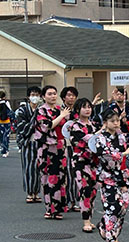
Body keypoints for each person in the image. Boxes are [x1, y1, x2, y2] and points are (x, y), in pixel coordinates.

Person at [95, 108, 129, 242]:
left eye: (117, 120)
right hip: (107, 176)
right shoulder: (101, 137)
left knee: (123, 207)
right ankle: (113, 238)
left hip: (122, 175)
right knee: (113, 207)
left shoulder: (121, 136)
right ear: (105, 123)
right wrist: (124, 153)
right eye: (112, 121)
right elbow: (104, 154)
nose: (116, 123)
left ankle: (103, 224)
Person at [33, 85, 70, 220]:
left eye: (54, 93)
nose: (53, 96)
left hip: (60, 146)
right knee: (49, 178)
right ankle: (50, 208)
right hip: (47, 148)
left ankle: (59, 208)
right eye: (49, 94)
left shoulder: (61, 109)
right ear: (43, 96)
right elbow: (48, 126)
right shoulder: (41, 110)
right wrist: (61, 116)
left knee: (61, 178)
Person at [68, 98, 99, 233]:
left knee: (93, 190)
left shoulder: (93, 125)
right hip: (80, 161)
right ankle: (85, 220)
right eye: (84, 107)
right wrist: (99, 133)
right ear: (77, 110)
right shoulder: (74, 125)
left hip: (94, 161)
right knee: (84, 189)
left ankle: (89, 218)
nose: (87, 109)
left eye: (89, 107)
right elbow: (84, 140)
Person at [15, 86, 42, 203]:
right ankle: (30, 193)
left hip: (41, 142)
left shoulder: (42, 109)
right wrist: (35, 120)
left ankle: (37, 192)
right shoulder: (22, 110)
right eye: (32, 94)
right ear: (28, 97)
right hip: (28, 142)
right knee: (29, 167)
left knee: (39, 168)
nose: (35, 97)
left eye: (37, 94)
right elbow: (22, 127)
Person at [60, 86, 81, 212]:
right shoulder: (59, 111)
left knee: (76, 172)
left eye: (73, 95)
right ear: (63, 97)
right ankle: (67, 200)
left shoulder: (78, 111)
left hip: (77, 145)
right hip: (64, 145)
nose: (71, 97)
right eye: (68, 95)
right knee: (66, 173)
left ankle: (76, 200)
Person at [0, 90, 13, 158]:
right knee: (6, 136)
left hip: (0, 123)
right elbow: (10, 112)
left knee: (1, 137)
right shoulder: (6, 102)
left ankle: (3, 149)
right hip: (7, 122)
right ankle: (6, 150)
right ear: (4, 96)